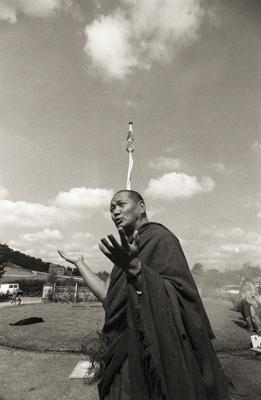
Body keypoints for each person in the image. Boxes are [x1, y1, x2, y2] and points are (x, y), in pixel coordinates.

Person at [59, 190, 229, 400]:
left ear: (141, 206)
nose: (115, 212)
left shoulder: (161, 238)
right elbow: (109, 297)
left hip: (153, 350)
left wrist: (136, 268)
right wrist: (80, 263)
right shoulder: (124, 254)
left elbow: (181, 295)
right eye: (111, 209)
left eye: (120, 204)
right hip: (123, 351)